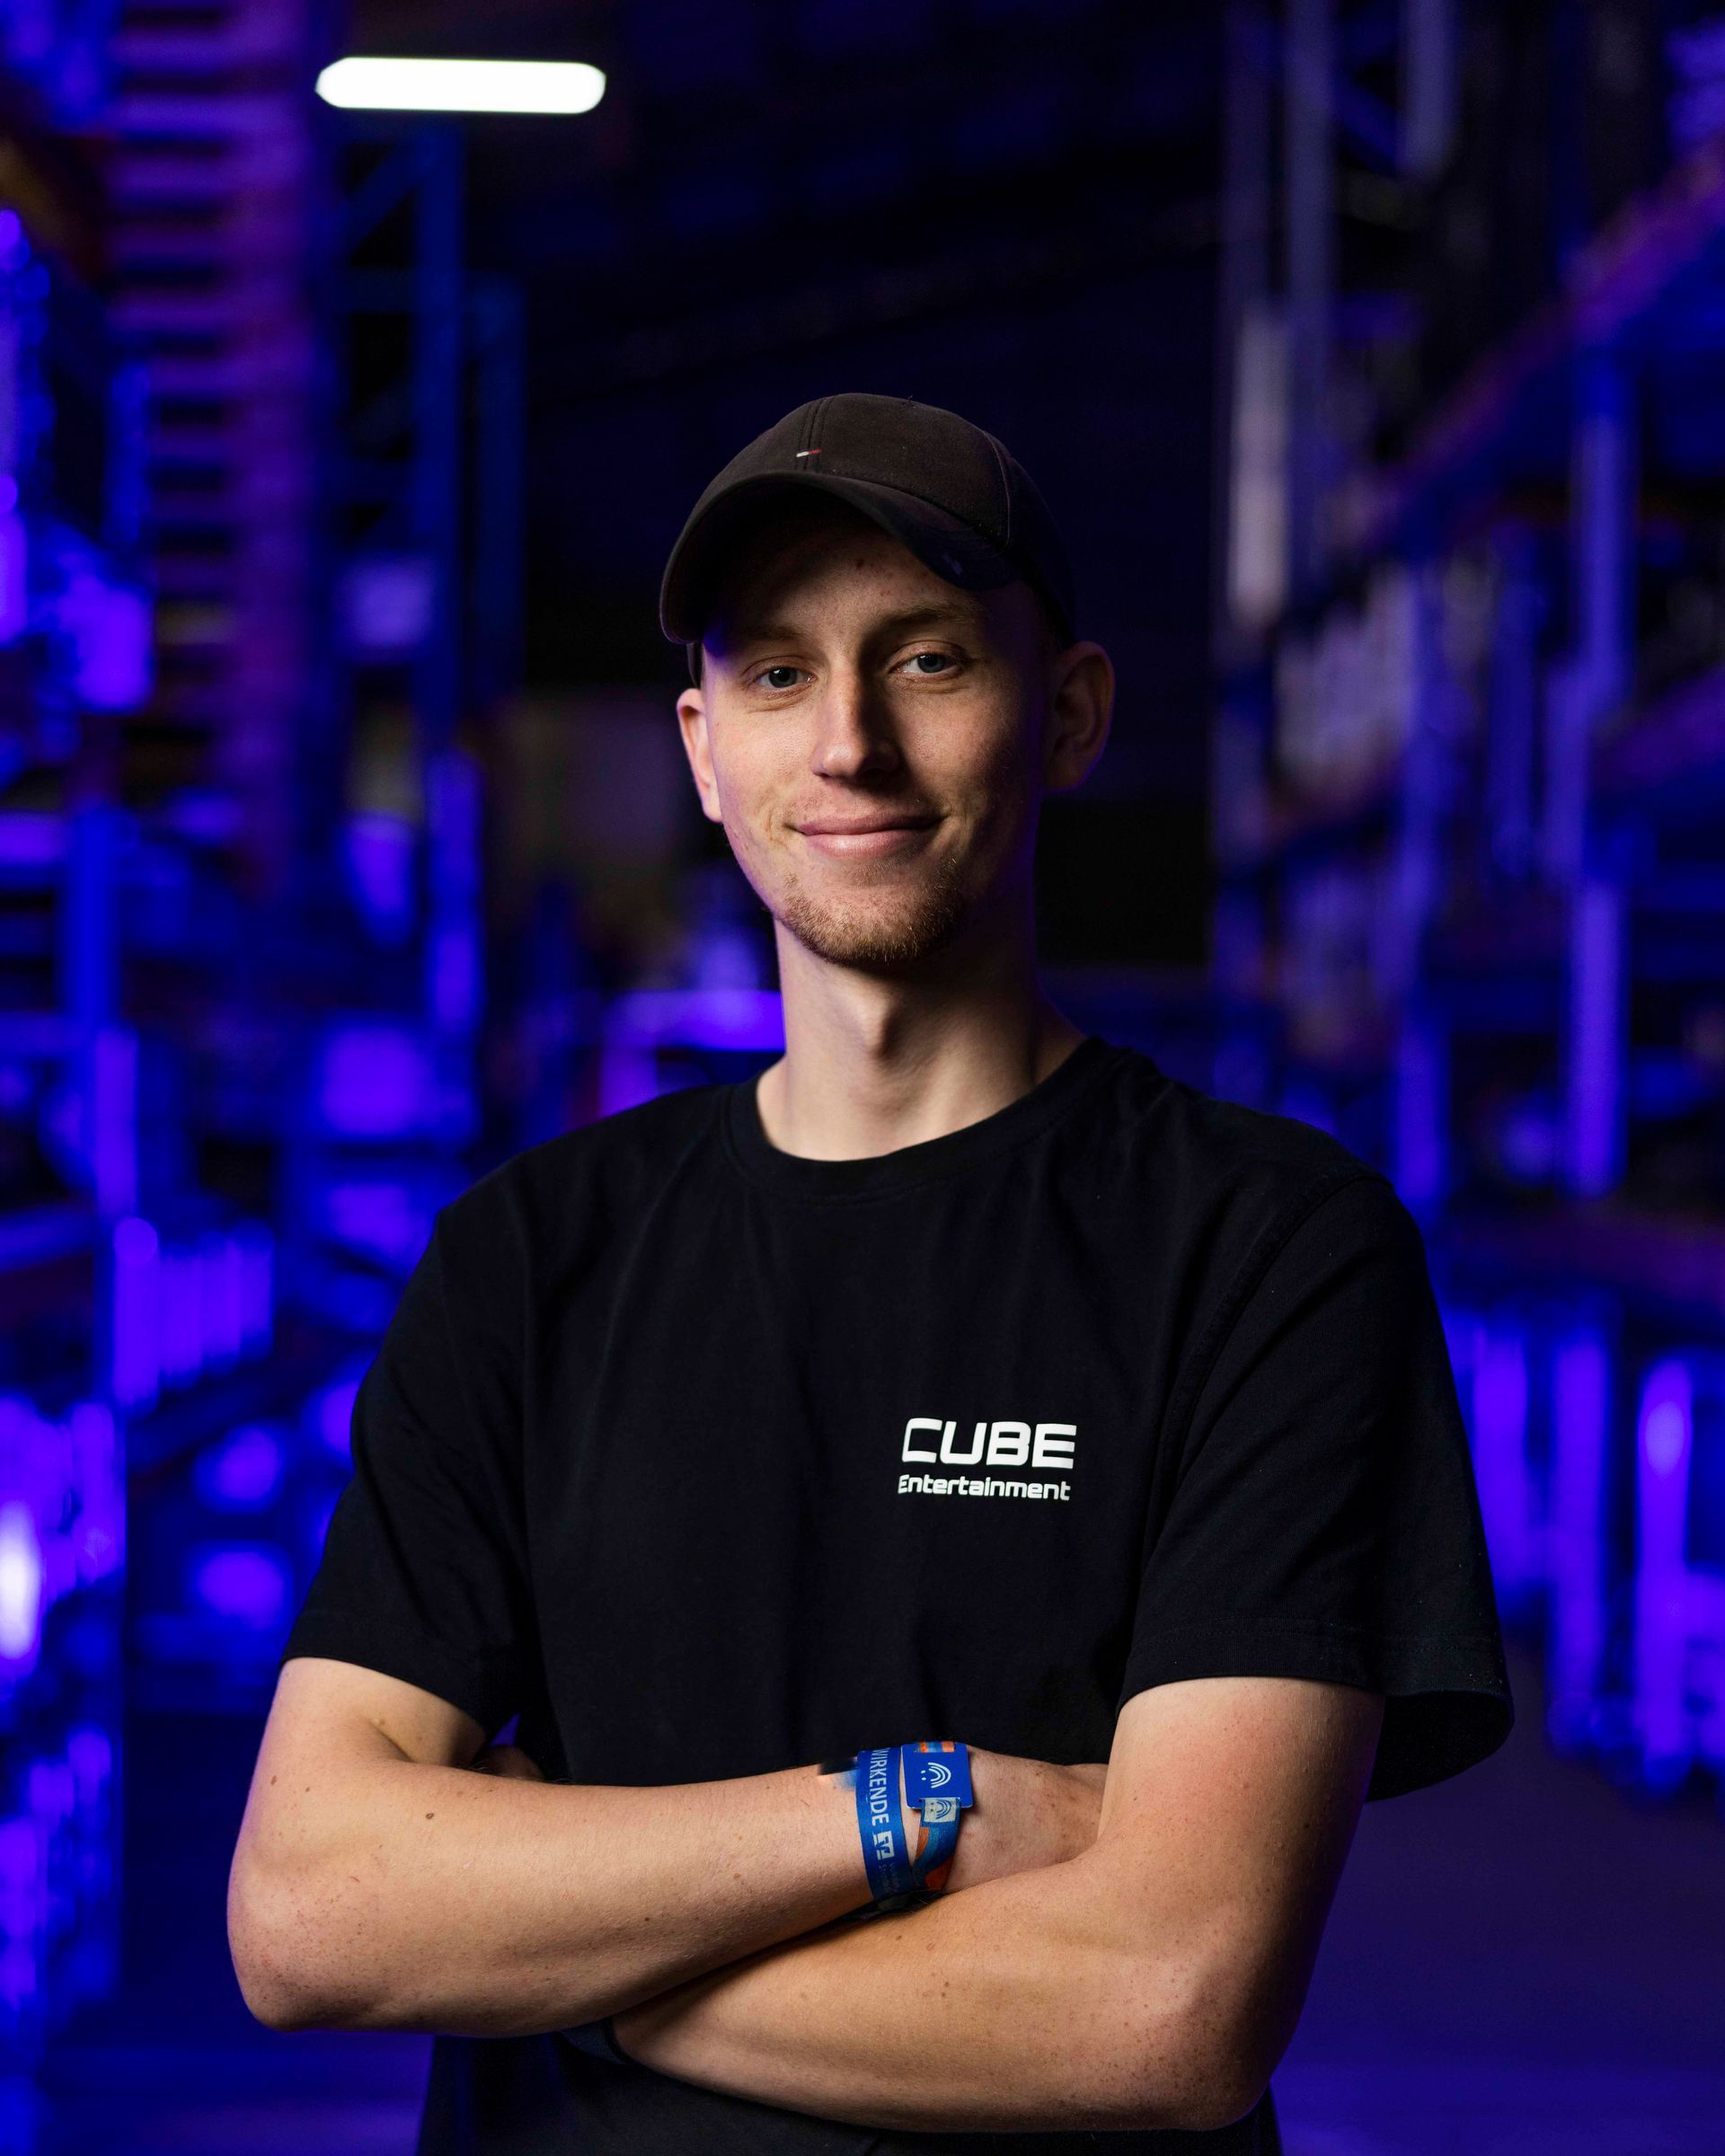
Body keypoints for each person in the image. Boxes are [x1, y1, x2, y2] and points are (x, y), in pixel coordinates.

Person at [230, 392, 1513, 2154]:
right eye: (775, 673)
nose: (846, 744)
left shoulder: (1271, 1251)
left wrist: (572, 1959)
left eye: (924, 663)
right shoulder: (528, 1258)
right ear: (700, 747)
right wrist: (925, 1808)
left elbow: (1168, 2005)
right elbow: (309, 1912)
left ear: (1065, 716)